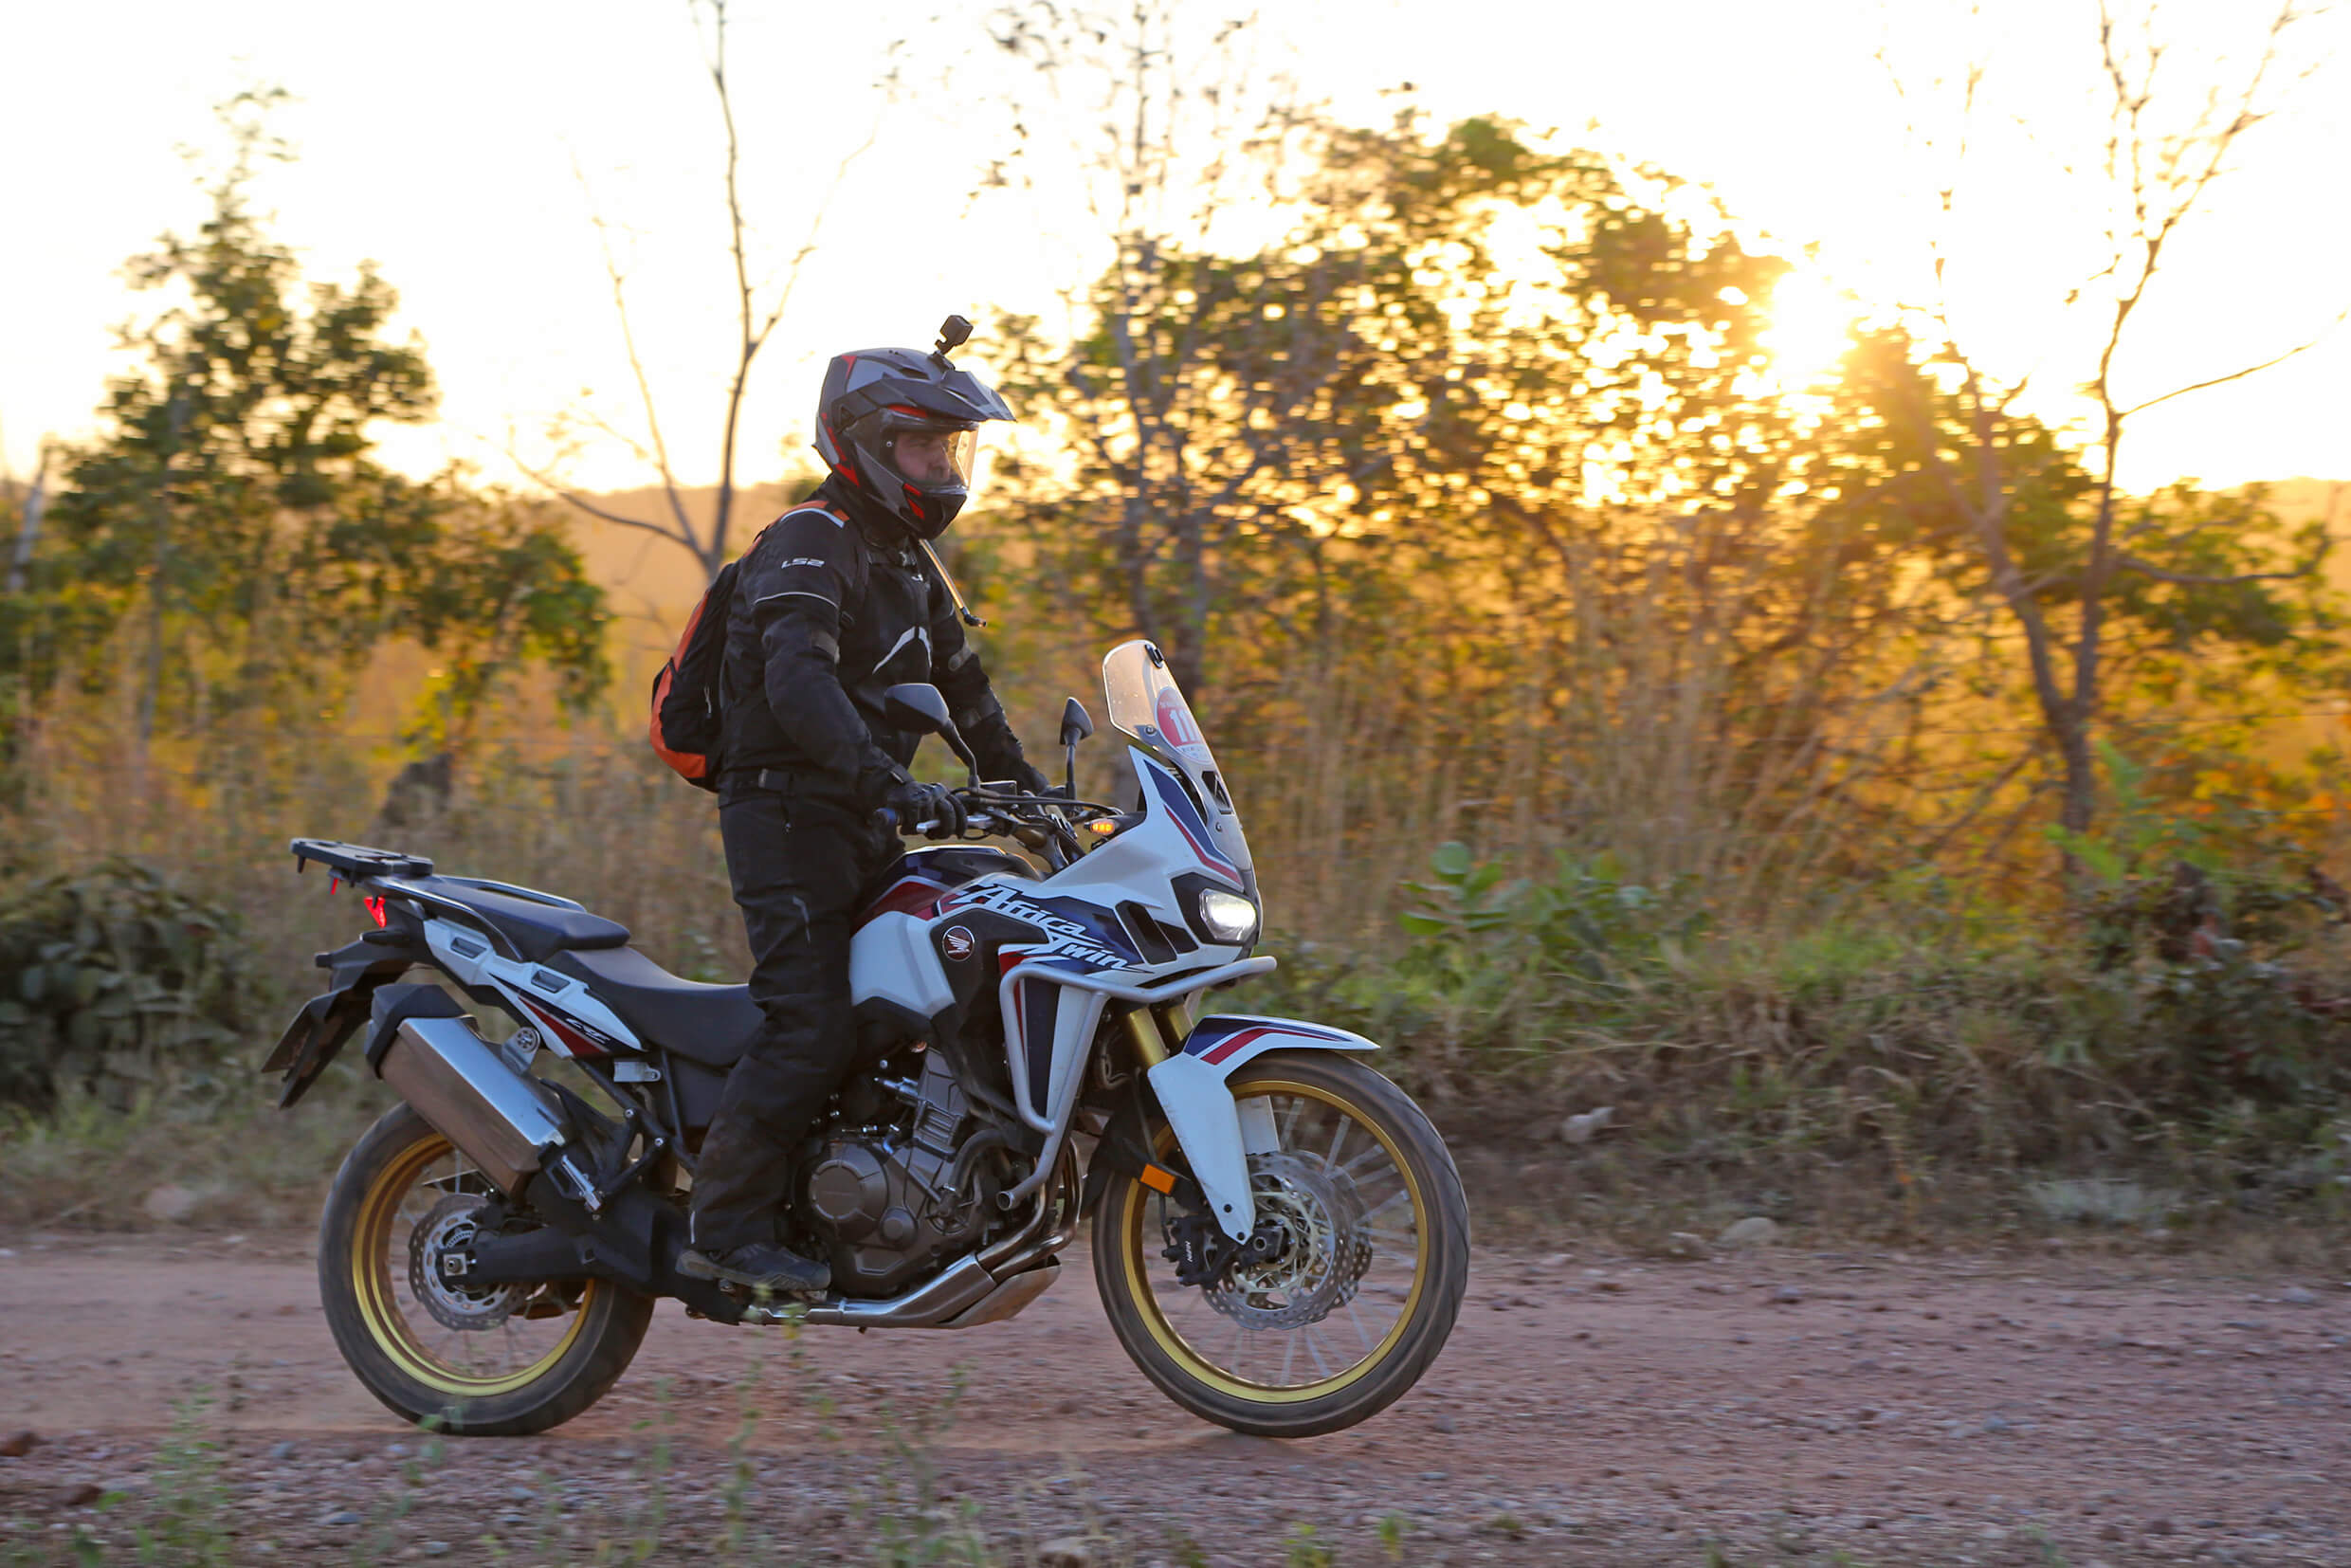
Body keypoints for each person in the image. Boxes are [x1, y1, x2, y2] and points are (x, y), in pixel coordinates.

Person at [678, 330, 1048, 1293]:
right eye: (925, 447)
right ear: (867, 445)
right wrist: (887, 783)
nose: (942, 466)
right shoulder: (811, 540)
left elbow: (966, 698)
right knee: (808, 1020)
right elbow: (798, 684)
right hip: (787, 815)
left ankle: (864, 1192)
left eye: (948, 449)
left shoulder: (907, 565)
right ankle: (721, 1227)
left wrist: (1036, 800)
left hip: (857, 816)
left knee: (914, 999)